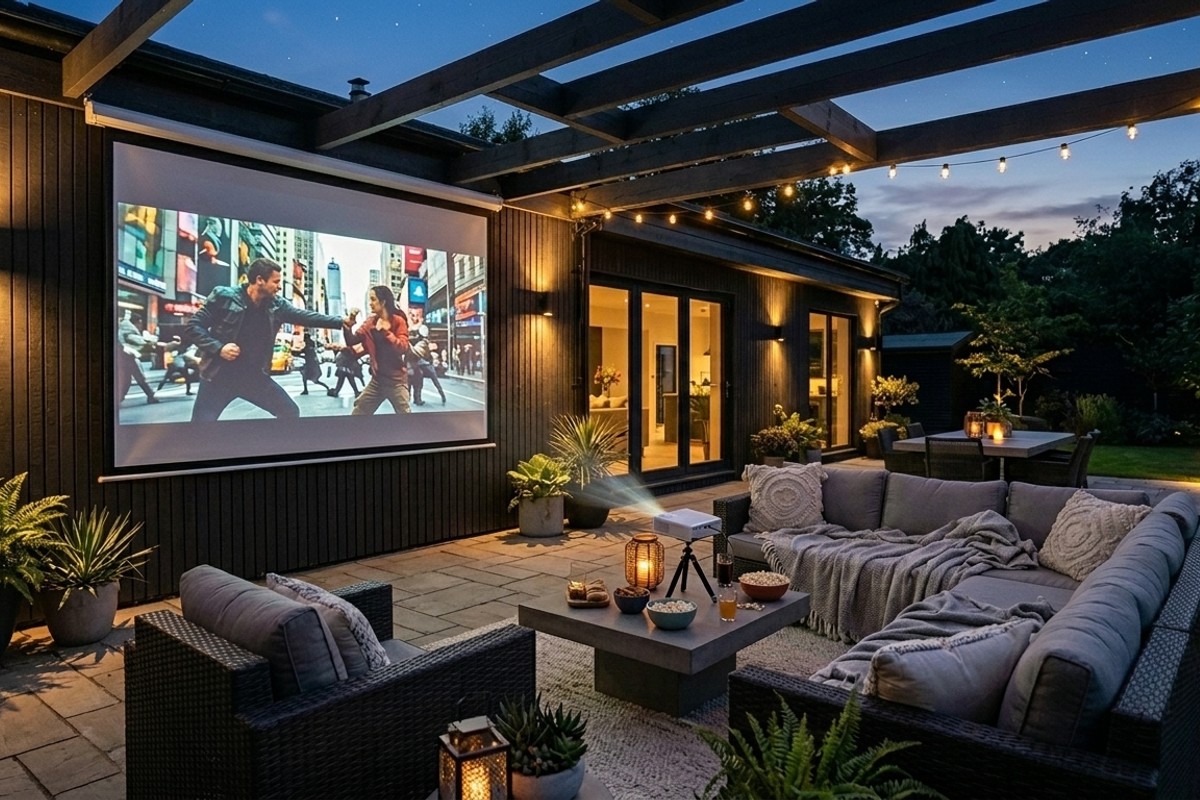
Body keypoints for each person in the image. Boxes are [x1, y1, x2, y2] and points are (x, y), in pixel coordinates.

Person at [186, 258, 352, 421]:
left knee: (289, 411)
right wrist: (219, 348)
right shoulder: (224, 297)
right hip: (218, 377)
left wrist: (340, 322)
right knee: (201, 427)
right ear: (260, 280)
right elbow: (193, 326)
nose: (280, 286)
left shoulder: (277, 305)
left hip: (252, 377)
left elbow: (305, 316)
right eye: (276, 281)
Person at [345, 285, 411, 415]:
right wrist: (349, 324)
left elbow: (403, 347)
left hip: (396, 382)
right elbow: (352, 341)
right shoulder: (370, 322)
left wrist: (386, 332)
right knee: (358, 412)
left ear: (383, 301)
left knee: (405, 417)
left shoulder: (398, 321)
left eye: (373, 299)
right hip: (377, 381)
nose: (370, 303)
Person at [117, 311, 159, 404]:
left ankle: (119, 398)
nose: (140, 325)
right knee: (139, 377)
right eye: (140, 323)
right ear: (136, 322)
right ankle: (150, 395)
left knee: (128, 379)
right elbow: (135, 340)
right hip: (128, 356)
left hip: (124, 356)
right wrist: (150, 342)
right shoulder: (128, 329)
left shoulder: (124, 327)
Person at [407, 323, 446, 405]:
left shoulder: (419, 342)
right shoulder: (422, 342)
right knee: (419, 382)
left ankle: (414, 398)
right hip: (418, 364)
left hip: (415, 364)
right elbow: (424, 355)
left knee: (414, 382)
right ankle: (416, 399)